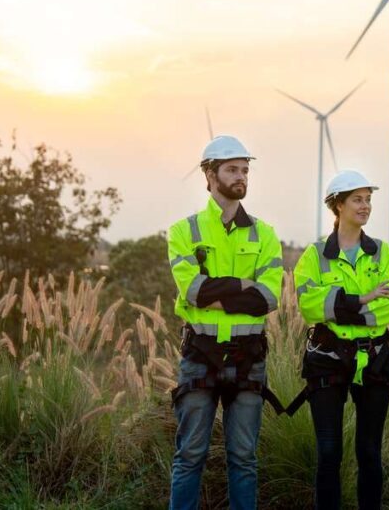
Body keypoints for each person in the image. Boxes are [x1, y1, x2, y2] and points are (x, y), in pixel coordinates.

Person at [167, 135, 285, 510]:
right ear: (209, 174)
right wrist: (242, 287)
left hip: (249, 356)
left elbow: (267, 298)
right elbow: (192, 290)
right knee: (190, 455)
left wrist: (218, 292)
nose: (241, 177)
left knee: (244, 459)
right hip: (200, 354)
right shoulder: (184, 231)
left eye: (245, 170)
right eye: (232, 169)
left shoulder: (265, 234)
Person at [292, 169, 389, 510]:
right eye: (357, 199)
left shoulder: (384, 254)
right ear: (337, 205)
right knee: (328, 452)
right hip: (327, 360)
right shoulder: (313, 256)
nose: (365, 206)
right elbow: (309, 305)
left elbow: (386, 311)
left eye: (368, 199)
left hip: (375, 360)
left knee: (369, 452)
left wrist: (338, 306)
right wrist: (361, 299)